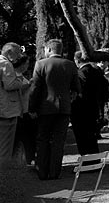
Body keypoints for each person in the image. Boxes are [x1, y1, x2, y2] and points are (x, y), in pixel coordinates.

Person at [29, 40, 82, 180]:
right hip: (64, 108)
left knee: (43, 139)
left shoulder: (40, 64)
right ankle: (54, 172)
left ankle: (42, 171)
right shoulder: (70, 65)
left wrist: (31, 108)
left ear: (48, 49)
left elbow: (35, 88)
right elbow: (77, 88)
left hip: (45, 107)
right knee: (59, 141)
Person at [70, 51, 109, 155]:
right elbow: (104, 90)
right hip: (94, 108)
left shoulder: (81, 73)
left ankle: (86, 162)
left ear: (77, 60)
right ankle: (94, 161)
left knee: (82, 138)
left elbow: (80, 91)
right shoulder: (97, 71)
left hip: (82, 110)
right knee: (92, 138)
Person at [0, 41, 30, 169]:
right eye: (17, 53)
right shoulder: (6, 64)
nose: (18, 57)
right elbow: (10, 85)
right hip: (8, 109)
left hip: (3, 107)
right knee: (5, 147)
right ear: (9, 52)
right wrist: (21, 81)